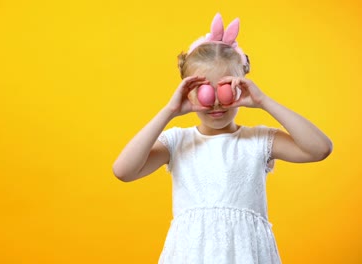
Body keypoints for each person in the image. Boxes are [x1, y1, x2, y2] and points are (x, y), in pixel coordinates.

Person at [112, 13, 332, 264]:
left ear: (241, 86)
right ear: (188, 92)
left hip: (247, 256)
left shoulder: (257, 141)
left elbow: (320, 149)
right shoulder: (177, 142)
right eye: (205, 91)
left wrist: (264, 102)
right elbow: (123, 170)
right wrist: (169, 111)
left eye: (226, 90)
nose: (216, 102)